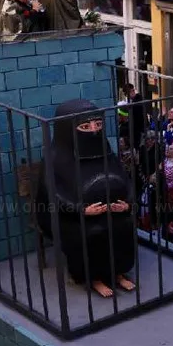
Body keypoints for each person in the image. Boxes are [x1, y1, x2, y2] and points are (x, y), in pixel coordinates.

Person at [35, 99, 137, 297]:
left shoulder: (105, 150)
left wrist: (127, 204)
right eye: (85, 127)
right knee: (91, 232)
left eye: (98, 124)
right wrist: (81, 210)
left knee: (122, 225)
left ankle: (118, 272)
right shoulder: (55, 157)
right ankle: (93, 278)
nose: (94, 131)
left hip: (108, 210)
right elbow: (53, 194)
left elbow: (126, 179)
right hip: (69, 216)